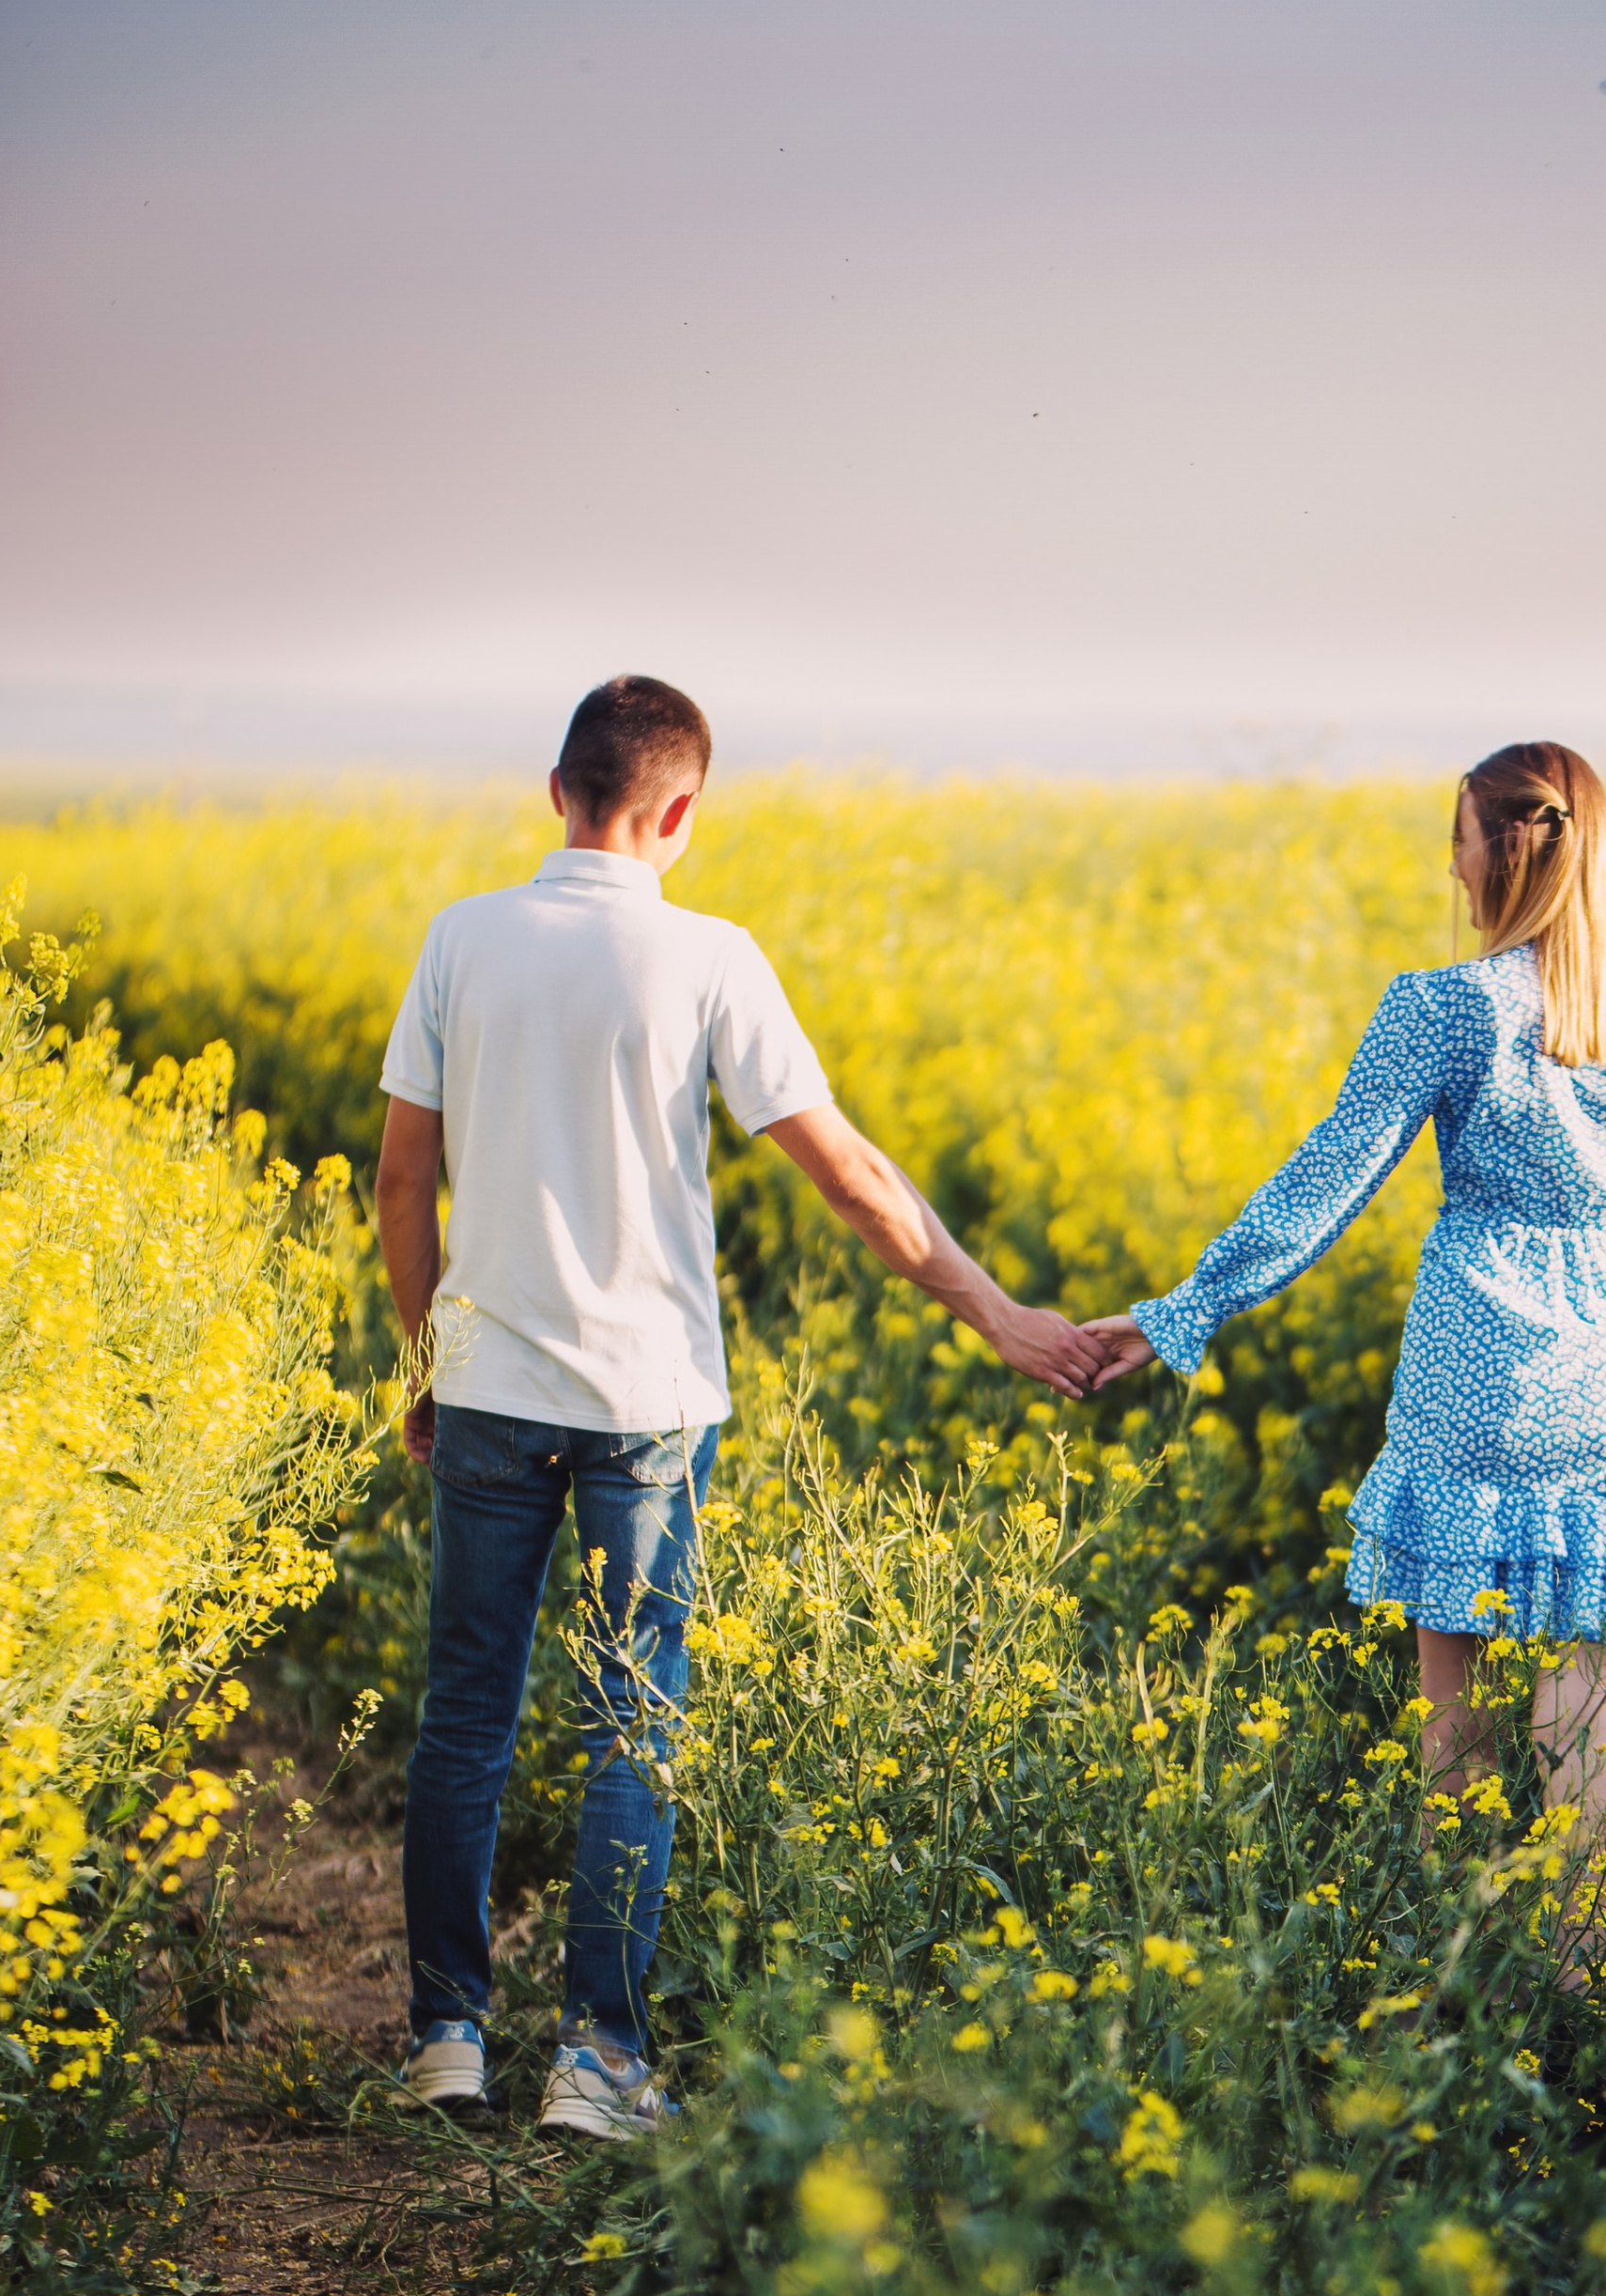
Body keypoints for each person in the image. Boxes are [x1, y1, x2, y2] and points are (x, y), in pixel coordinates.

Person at [376, 674, 1104, 2139]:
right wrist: (999, 1315)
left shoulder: (462, 940)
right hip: (645, 1406)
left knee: (467, 1720)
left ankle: (448, 2039)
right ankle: (598, 2063)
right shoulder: (709, 958)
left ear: (558, 788)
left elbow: (403, 1180)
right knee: (630, 1723)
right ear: (682, 812)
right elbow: (849, 1177)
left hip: (492, 1393)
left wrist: (422, 1361)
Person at [1089, 740, 1606, 1854]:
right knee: (1586, 1749)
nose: (1451, 872)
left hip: (1470, 1378)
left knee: (1459, 1742)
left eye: (1458, 842)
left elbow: (1325, 1183)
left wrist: (1180, 1311)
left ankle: (1468, 2001)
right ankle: (1582, 2009)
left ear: (1496, 854)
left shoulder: (1442, 1005)